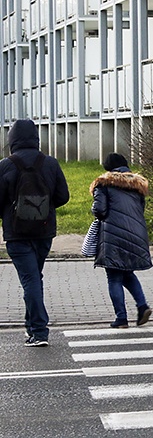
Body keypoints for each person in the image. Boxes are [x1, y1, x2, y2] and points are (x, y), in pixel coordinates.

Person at [0, 119, 70, 346]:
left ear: (12, 140)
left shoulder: (6, 165)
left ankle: (39, 331)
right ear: (36, 139)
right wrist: (44, 207)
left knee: (30, 280)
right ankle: (31, 327)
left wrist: (10, 212)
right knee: (34, 279)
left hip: (17, 233)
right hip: (44, 231)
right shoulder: (50, 163)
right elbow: (63, 196)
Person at [89, 153, 153, 328]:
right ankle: (142, 306)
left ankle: (121, 318)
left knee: (114, 277)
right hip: (136, 234)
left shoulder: (103, 185)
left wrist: (94, 207)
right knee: (127, 273)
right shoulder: (137, 186)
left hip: (113, 235)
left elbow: (100, 210)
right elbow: (140, 210)